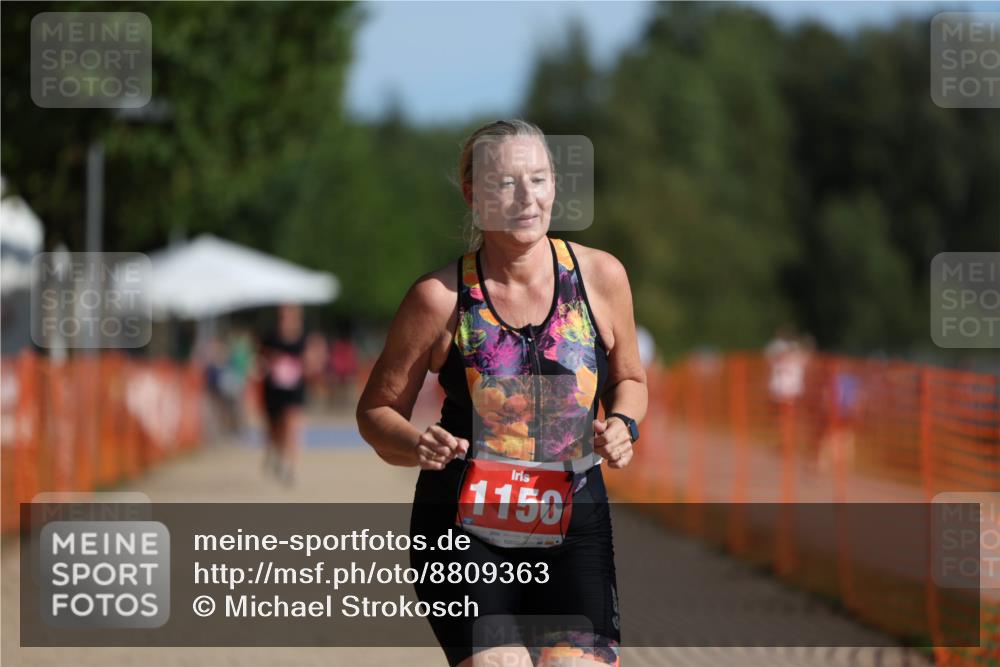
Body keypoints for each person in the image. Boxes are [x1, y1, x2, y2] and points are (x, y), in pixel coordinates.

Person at [357, 119, 648, 667]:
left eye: (538, 179)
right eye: (506, 183)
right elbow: (375, 410)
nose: (526, 198)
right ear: (473, 194)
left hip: (572, 524)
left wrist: (623, 424)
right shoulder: (438, 298)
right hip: (464, 529)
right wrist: (416, 443)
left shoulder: (601, 277)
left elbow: (629, 379)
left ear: (555, 185)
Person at [259, 303, 308, 486]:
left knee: (292, 425)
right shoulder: (270, 336)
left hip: (295, 388)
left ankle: (291, 467)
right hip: (273, 388)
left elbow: (310, 359)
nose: (284, 318)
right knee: (275, 427)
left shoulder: (303, 337)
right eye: (282, 315)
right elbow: (261, 357)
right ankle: (275, 452)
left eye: (288, 315)